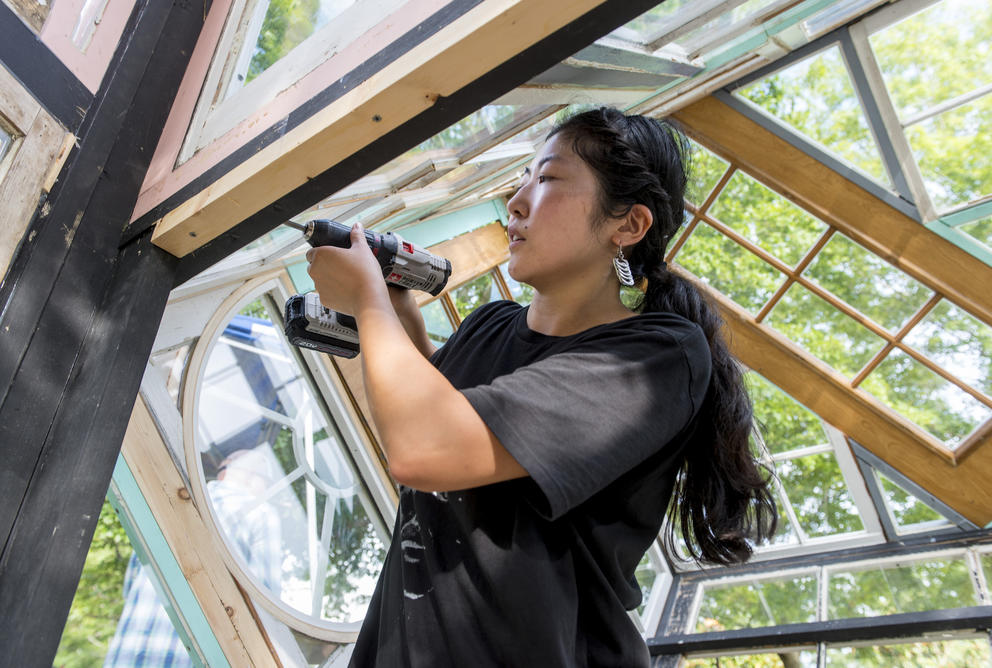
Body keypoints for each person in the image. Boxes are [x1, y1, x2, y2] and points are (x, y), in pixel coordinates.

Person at [306, 107, 777, 667]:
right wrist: (396, 313)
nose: (517, 200)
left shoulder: (658, 356)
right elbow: (430, 418)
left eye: (548, 178)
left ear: (627, 225)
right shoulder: (489, 324)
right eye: (524, 177)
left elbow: (424, 448)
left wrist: (367, 300)